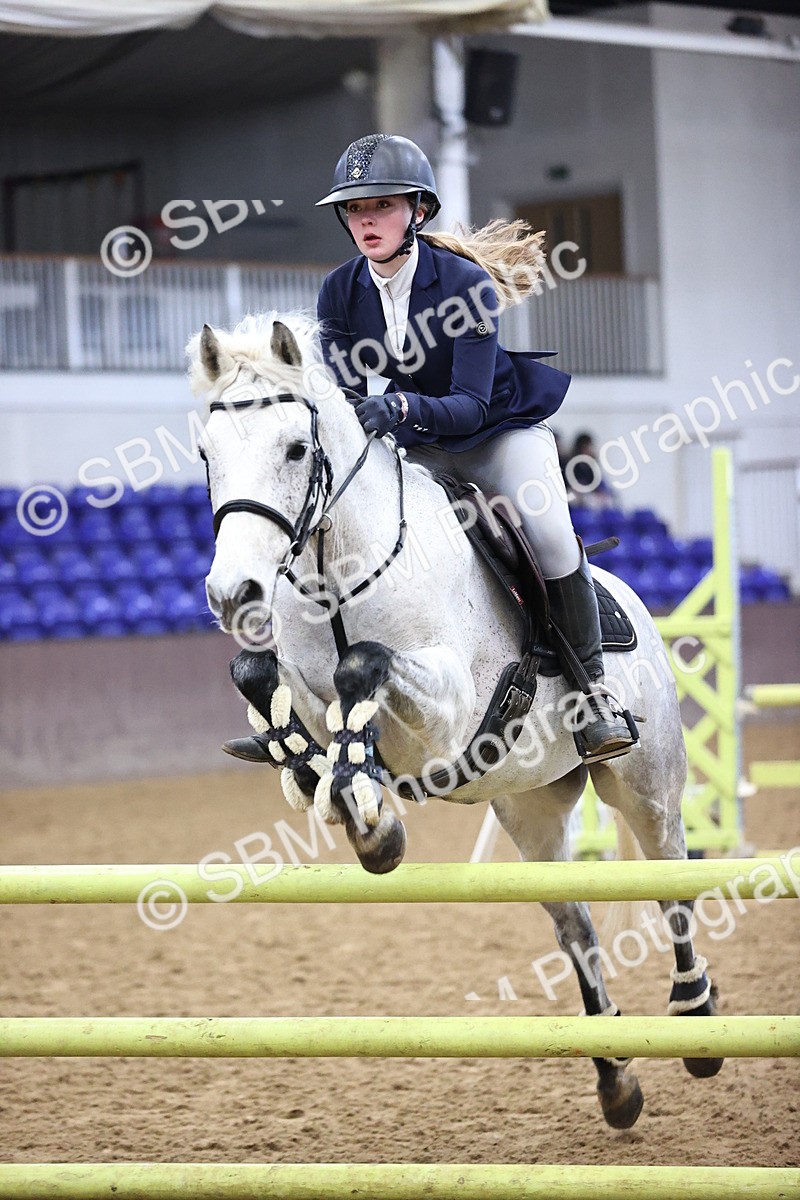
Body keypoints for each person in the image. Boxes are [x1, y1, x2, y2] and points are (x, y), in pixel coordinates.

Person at [231, 134, 636, 765]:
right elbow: (343, 396)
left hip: (495, 432)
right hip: (416, 441)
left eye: (382, 206)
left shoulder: (466, 285)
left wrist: (395, 407)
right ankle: (294, 695)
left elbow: (469, 404)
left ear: (417, 211)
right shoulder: (340, 293)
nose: (367, 221)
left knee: (552, 531)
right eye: (356, 210)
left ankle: (593, 696)